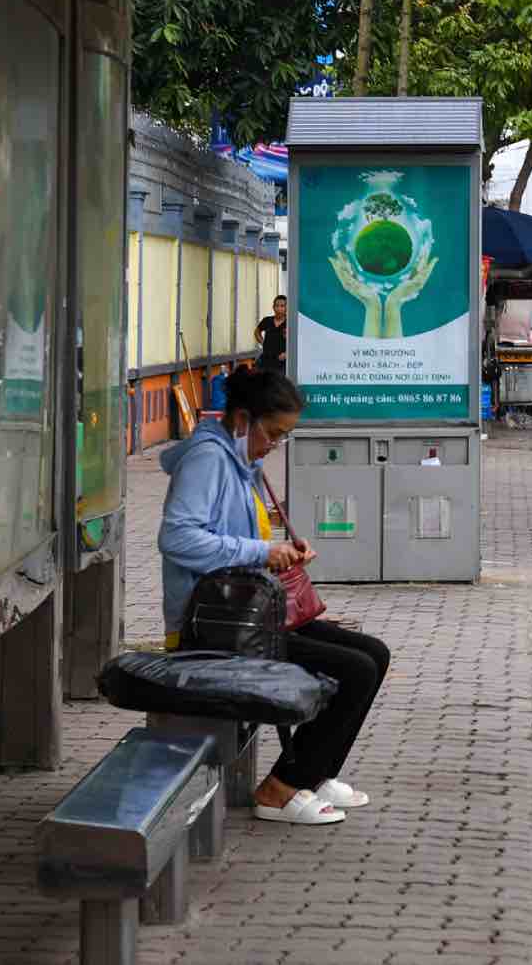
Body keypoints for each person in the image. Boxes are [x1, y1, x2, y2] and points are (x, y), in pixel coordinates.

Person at [157, 366, 390, 826]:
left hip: (249, 613)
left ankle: (315, 773)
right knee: (355, 671)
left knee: (372, 654)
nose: (274, 445)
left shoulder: (240, 460)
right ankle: (281, 789)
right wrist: (263, 551)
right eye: (274, 434)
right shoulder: (208, 460)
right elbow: (177, 537)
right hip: (215, 625)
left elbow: (240, 534)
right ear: (243, 420)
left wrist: (283, 549)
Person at [255, 294, 288, 373]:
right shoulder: (267, 320)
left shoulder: (290, 322)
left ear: (287, 308)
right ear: (273, 307)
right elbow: (257, 331)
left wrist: (287, 353)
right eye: (277, 305)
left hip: (281, 363)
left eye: (282, 306)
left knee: (278, 384)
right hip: (265, 361)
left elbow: (299, 341)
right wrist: (263, 342)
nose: (279, 308)